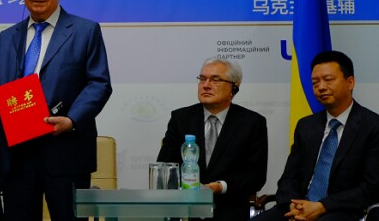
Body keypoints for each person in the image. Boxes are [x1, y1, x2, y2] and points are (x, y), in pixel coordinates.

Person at [0, 0, 112, 221]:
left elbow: (99, 83)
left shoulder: (85, 31)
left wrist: (72, 120)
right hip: (16, 156)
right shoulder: (7, 37)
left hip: (66, 151)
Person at [253, 50, 379, 221]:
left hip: (341, 210)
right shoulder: (306, 126)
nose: (321, 87)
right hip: (298, 207)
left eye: (328, 80)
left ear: (350, 82)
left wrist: (322, 206)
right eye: (315, 82)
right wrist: (294, 206)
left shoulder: (372, 126)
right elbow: (289, 178)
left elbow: (371, 186)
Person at [157, 58, 268, 220]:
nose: (206, 85)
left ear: (234, 87)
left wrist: (221, 187)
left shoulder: (252, 123)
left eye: (215, 80)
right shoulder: (181, 118)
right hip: (185, 210)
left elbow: (256, 177)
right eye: (202, 79)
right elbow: (165, 168)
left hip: (228, 210)